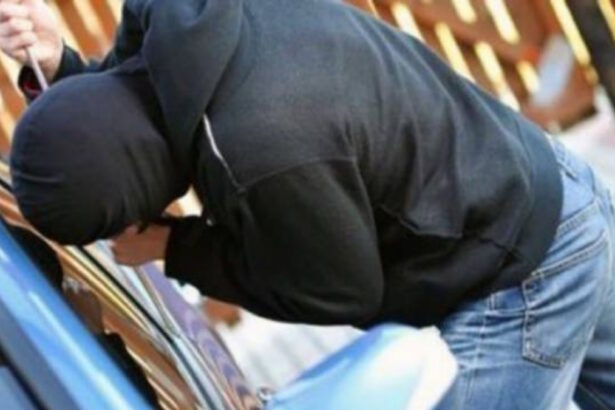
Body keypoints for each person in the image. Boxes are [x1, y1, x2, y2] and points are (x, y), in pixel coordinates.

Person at [2, 0, 614, 408]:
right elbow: (127, 113)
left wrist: (176, 246)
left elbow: (340, 290)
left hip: (522, 275)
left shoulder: (260, 152)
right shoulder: (177, 22)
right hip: (547, 185)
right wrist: (63, 68)